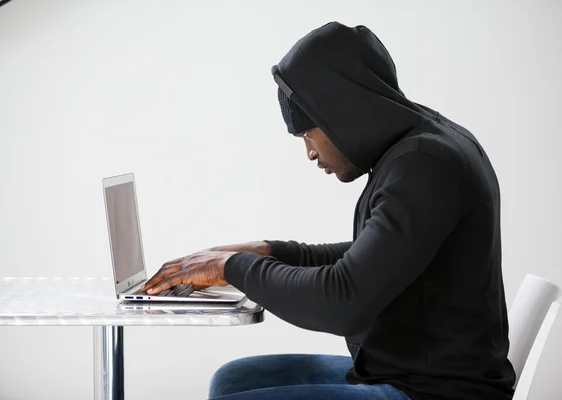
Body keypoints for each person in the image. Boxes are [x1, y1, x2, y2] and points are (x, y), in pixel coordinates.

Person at [142, 21, 516, 400]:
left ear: (343, 111)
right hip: (406, 372)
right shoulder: (425, 145)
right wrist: (270, 251)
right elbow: (375, 259)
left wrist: (232, 267)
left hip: (433, 392)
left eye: (308, 133)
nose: (310, 152)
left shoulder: (424, 166)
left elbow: (343, 301)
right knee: (232, 381)